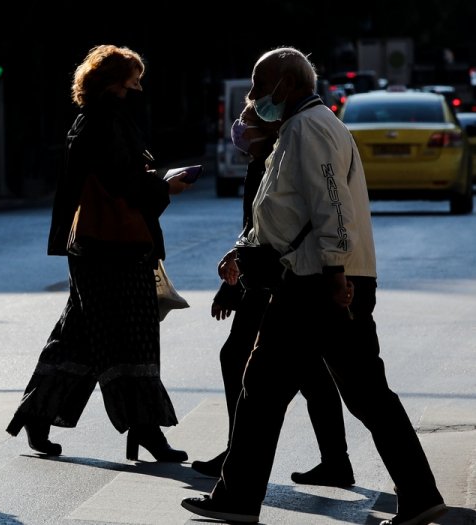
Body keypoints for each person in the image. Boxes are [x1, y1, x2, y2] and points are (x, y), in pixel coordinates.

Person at [181, 47, 447, 525]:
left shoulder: (308, 127)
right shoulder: (302, 127)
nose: (256, 96)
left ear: (288, 84)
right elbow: (291, 208)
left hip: (315, 283)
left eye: (262, 86)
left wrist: (334, 271)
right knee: (362, 394)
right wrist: (249, 250)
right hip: (320, 279)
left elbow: (331, 204)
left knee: (264, 388)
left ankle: (237, 499)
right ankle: (420, 494)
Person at [5, 44, 193, 461]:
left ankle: (40, 414)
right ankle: (146, 429)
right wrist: (165, 185)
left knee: (81, 336)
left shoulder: (90, 119)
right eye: (132, 78)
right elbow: (123, 182)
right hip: (114, 250)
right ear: (113, 82)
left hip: (93, 249)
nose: (138, 86)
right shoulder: (107, 121)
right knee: (132, 336)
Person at [191, 102, 355, 490]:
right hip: (273, 272)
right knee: (310, 371)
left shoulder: (280, 157)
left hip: (284, 275)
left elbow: (308, 216)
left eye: (248, 122)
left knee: (247, 363)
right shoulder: (264, 160)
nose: (240, 129)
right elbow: (254, 228)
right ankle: (333, 460)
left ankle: (239, 468)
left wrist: (334, 271)